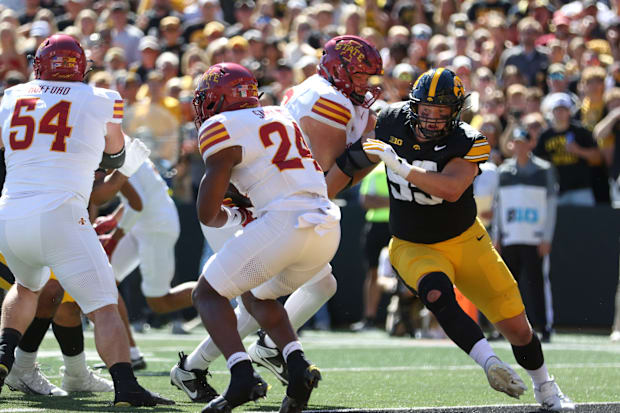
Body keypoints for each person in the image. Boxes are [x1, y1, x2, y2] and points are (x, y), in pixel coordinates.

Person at [327, 68, 574, 412]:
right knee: (435, 293)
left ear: (456, 111)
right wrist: (318, 195)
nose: (432, 117)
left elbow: (451, 188)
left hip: (466, 240)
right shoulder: (390, 121)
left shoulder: (469, 139)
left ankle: (545, 385)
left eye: (441, 111)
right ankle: (491, 364)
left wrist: (400, 167)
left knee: (518, 330)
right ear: (414, 105)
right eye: (426, 109)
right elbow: (350, 163)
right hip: (412, 243)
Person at [173, 35, 383, 397]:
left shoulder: (328, 96)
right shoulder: (325, 100)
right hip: (262, 208)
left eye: (368, 76)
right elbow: (324, 180)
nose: (366, 84)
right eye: (360, 75)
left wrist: (365, 156)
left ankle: (243, 356)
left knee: (304, 287)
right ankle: (208, 365)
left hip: (276, 207)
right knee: (252, 295)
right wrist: (365, 158)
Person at [0, 34, 172, 407]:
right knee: (104, 305)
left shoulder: (12, 96)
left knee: (27, 287)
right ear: (80, 66)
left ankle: (5, 354)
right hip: (61, 215)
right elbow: (115, 154)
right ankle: (126, 385)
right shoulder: (102, 98)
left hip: (11, 213)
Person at [177, 63, 339, 412]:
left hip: (285, 223)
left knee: (206, 293)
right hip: (326, 226)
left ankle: (241, 374)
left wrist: (235, 213)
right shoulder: (281, 113)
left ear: (217, 100)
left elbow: (207, 213)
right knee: (254, 294)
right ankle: (297, 368)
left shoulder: (219, 126)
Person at [493, 127, 559, 343]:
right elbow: (498, 205)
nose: (519, 146)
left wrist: (546, 237)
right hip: (510, 237)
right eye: (516, 142)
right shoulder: (503, 171)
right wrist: (497, 236)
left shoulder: (544, 170)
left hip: (534, 238)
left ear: (531, 144)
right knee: (507, 285)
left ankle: (543, 326)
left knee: (537, 284)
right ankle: (505, 328)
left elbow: (550, 205)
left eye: (523, 142)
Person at [533, 93, 602, 206]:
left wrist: (578, 150)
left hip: (581, 189)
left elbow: (598, 157)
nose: (560, 113)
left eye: (563, 109)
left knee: (587, 221)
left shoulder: (581, 132)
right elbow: (538, 160)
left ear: (569, 111)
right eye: (557, 109)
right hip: (556, 190)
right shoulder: (545, 135)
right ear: (551, 112)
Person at [351, 162, 390, 331]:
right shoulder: (377, 170)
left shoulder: (407, 167)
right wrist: (395, 201)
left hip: (399, 226)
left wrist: (382, 201)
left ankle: (407, 319)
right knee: (372, 272)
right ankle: (369, 318)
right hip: (376, 226)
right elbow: (366, 200)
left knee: (408, 272)